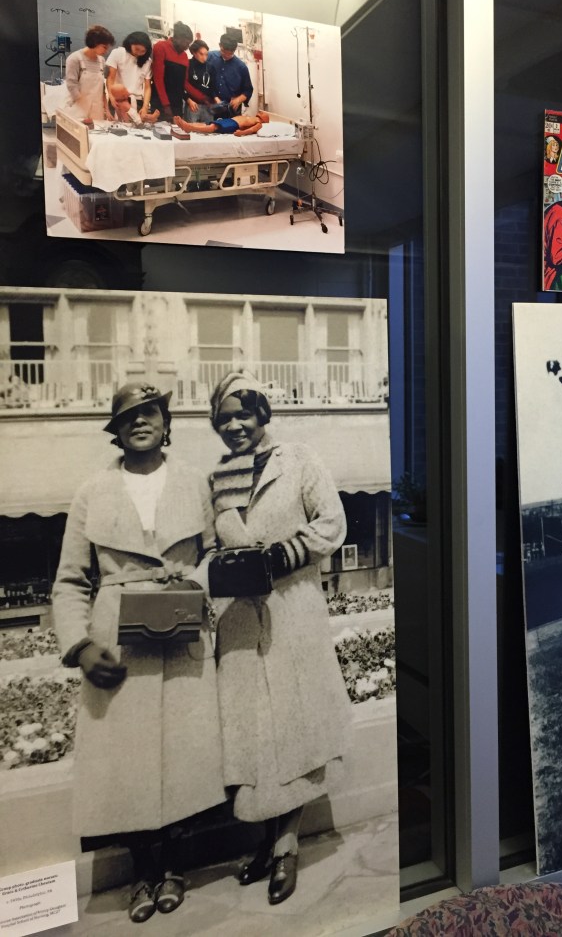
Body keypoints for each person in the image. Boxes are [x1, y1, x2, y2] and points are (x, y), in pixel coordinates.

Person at [52, 383, 225, 923]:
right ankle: (141, 871)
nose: (140, 423)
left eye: (149, 413)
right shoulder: (92, 491)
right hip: (117, 638)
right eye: (128, 417)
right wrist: (80, 645)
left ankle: (174, 865)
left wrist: (194, 579)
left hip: (181, 630)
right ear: (116, 429)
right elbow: (70, 581)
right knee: (124, 763)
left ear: (165, 421)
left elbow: (217, 552)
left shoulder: (195, 483)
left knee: (183, 752)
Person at [207, 371, 352, 905]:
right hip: (241, 622)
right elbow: (208, 548)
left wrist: (279, 555)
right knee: (257, 736)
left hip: (293, 613)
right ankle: (266, 844)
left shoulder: (299, 460)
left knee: (295, 728)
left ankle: (287, 846)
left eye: (244, 414)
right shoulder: (218, 479)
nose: (235, 425)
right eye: (224, 418)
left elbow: (332, 524)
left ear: (263, 414)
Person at [150, 22, 204, 121]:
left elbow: (185, 83)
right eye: (187, 43)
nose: (188, 47)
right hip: (160, 102)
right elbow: (158, 79)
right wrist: (166, 105)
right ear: (178, 38)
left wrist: (203, 98)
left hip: (177, 104)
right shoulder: (161, 47)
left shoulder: (184, 56)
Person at [65, 24, 115, 120]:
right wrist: (83, 105)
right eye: (104, 47)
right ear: (94, 43)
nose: (106, 51)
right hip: (78, 108)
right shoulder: (75, 58)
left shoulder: (102, 61)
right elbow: (71, 84)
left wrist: (106, 110)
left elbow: (102, 89)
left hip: (97, 110)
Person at [106, 31, 153, 120]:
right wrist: (111, 97)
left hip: (137, 100)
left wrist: (145, 107)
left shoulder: (147, 61)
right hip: (118, 99)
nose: (139, 53)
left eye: (142, 51)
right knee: (116, 129)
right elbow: (110, 78)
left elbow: (147, 87)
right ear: (130, 43)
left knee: (136, 129)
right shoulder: (118, 53)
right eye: (136, 49)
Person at [207, 34, 254, 117]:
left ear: (234, 50)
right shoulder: (209, 57)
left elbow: (248, 90)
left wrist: (239, 99)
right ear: (220, 45)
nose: (227, 56)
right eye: (223, 52)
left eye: (230, 53)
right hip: (210, 108)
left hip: (231, 111)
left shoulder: (241, 67)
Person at [184, 39, 221, 122]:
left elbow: (213, 87)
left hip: (208, 106)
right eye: (201, 54)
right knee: (191, 131)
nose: (204, 58)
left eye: (206, 55)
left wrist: (216, 98)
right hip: (193, 105)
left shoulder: (211, 67)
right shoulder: (188, 64)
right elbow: (182, 86)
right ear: (194, 52)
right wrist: (188, 100)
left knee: (207, 131)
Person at [174, 110, 269, 137]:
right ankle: (186, 124)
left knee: (213, 127)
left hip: (234, 125)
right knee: (206, 124)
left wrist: (242, 133)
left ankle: (190, 127)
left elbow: (252, 130)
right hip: (230, 120)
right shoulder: (252, 117)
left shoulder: (259, 123)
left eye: (263, 113)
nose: (261, 112)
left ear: (265, 120)